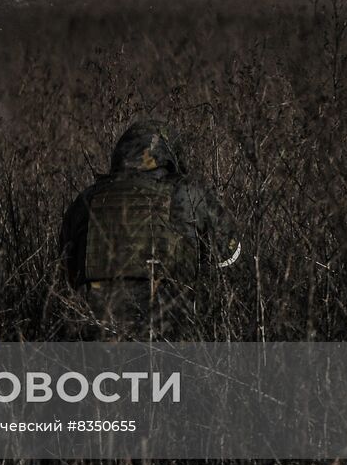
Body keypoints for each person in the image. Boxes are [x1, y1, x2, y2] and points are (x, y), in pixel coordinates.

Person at [59, 119, 241, 340]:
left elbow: (66, 270)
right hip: (167, 326)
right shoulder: (187, 193)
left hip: (95, 328)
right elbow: (231, 258)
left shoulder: (86, 200)